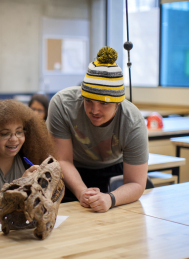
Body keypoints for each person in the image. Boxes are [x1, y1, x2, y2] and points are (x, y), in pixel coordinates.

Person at [46, 46, 148, 213]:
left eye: (104, 103)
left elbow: (136, 183)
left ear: (118, 102)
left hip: (114, 172)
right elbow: (63, 160)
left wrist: (110, 198)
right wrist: (81, 192)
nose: (94, 111)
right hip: (71, 172)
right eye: (88, 101)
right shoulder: (62, 104)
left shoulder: (133, 121)